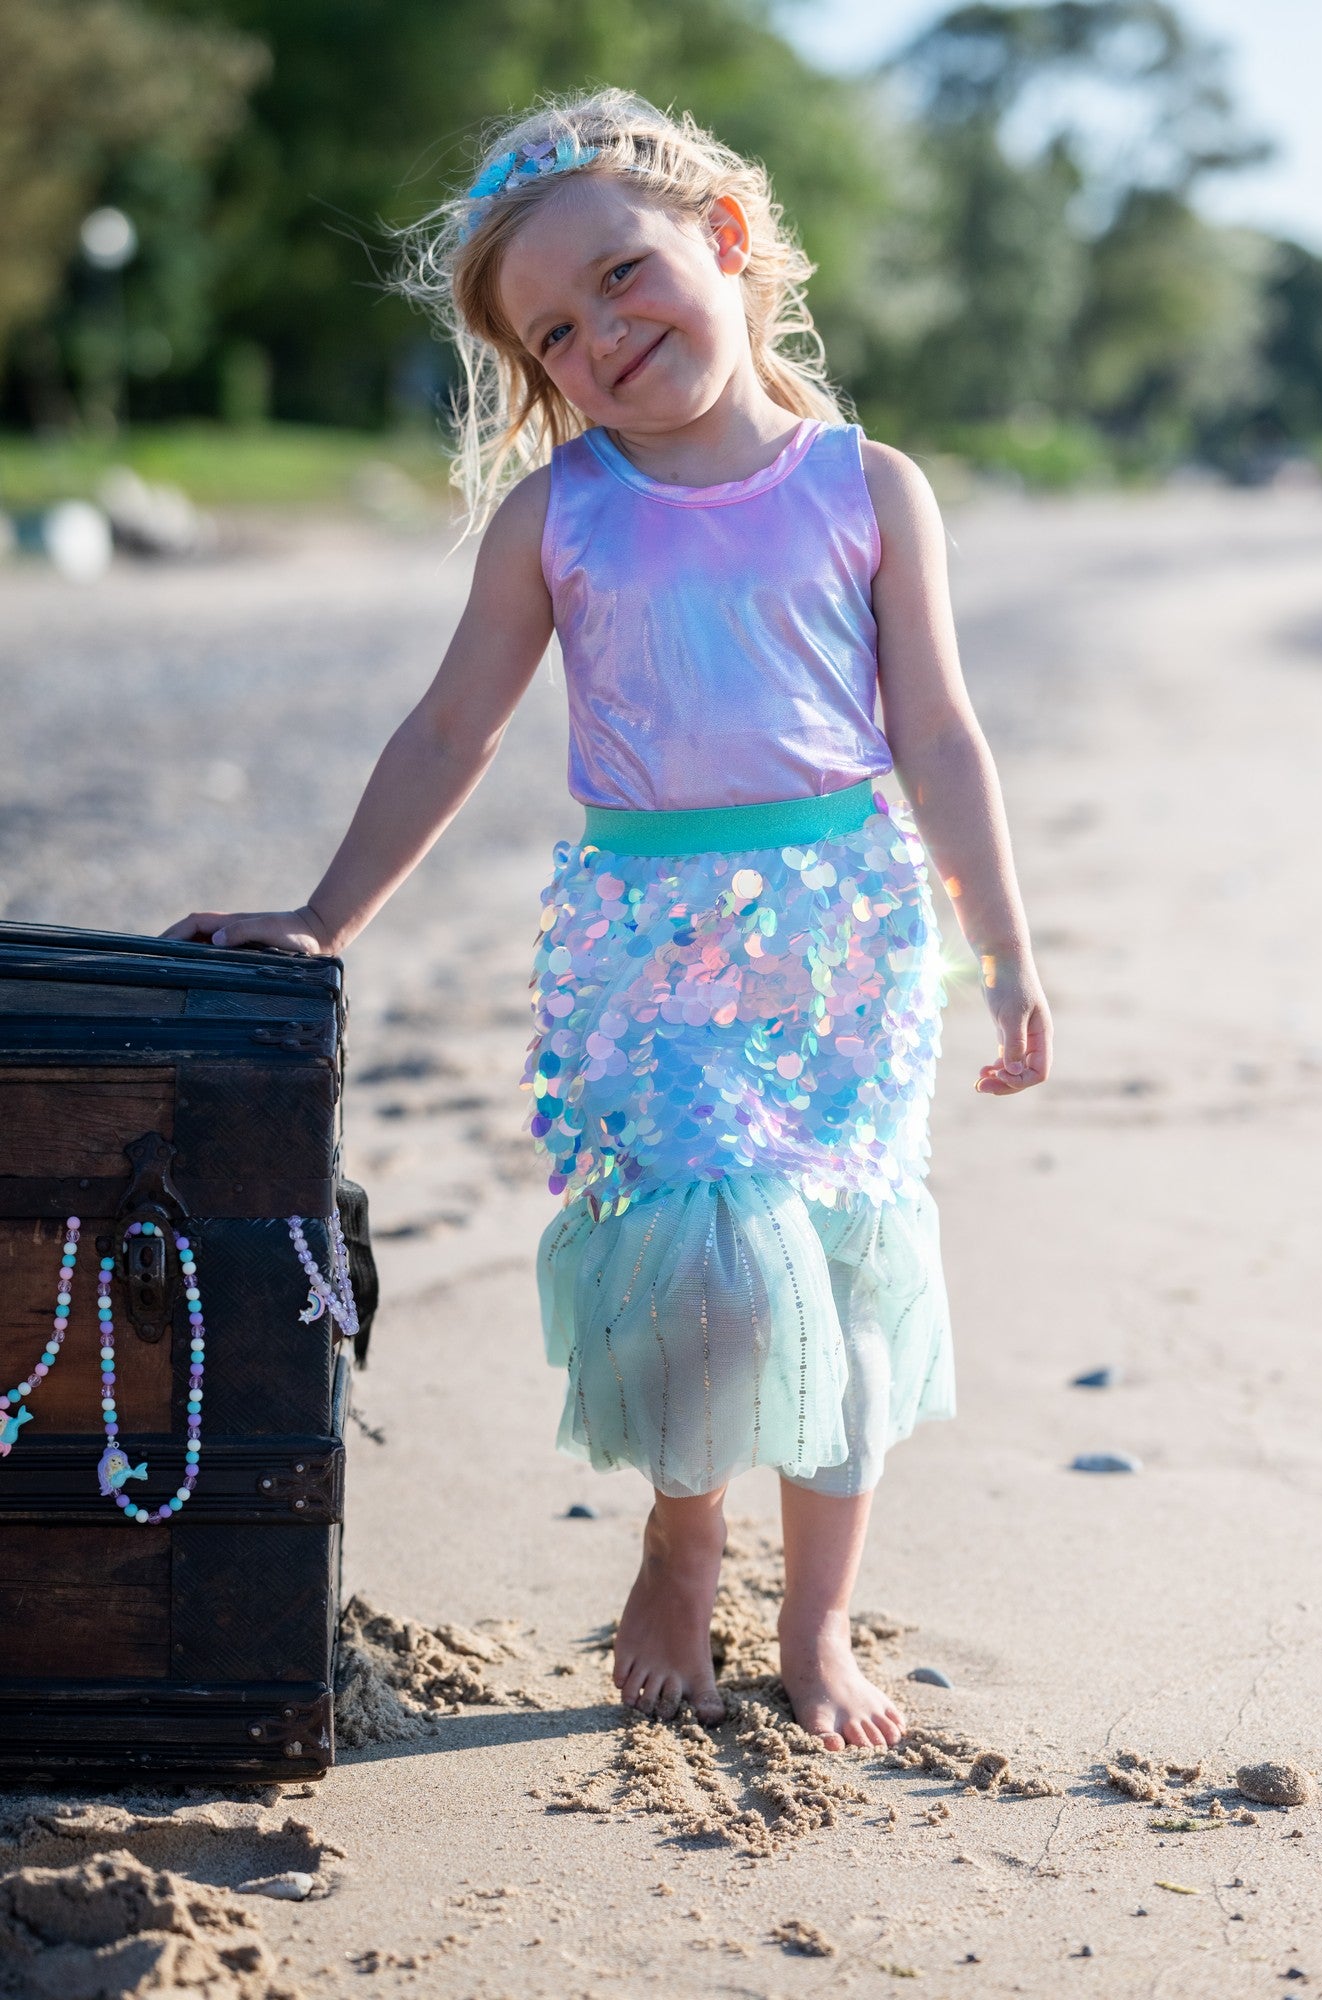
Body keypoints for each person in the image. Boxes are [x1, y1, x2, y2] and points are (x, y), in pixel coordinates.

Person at [164, 88, 1051, 1752]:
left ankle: (818, 1619)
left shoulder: (870, 487)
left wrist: (1000, 951)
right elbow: (453, 730)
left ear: (726, 238)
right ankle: (683, 1534)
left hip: (843, 947)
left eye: (624, 276)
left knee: (846, 1274)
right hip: (649, 952)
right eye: (556, 333)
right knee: (709, 1265)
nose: (604, 336)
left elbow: (939, 736)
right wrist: (325, 915)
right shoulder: (561, 515)